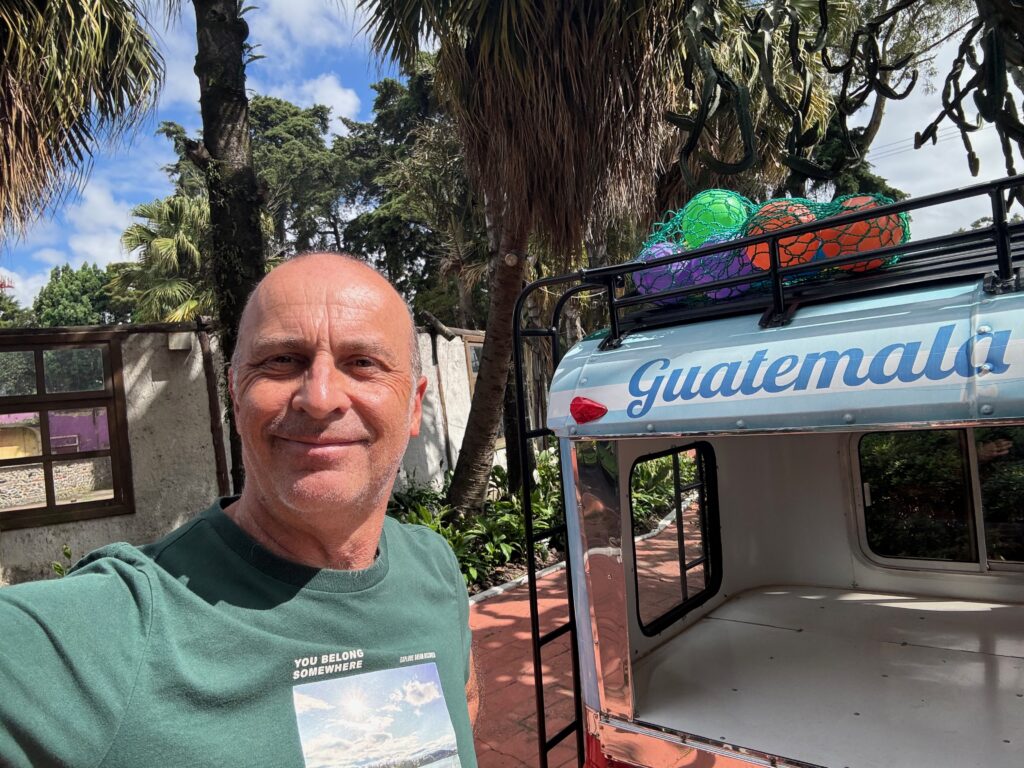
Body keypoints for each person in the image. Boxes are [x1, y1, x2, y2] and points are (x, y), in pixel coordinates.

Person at [0, 253, 479, 767]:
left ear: (413, 406)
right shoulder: (118, 627)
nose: (319, 398)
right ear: (235, 391)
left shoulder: (434, 567)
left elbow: (465, 702)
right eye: (282, 360)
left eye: (362, 363)